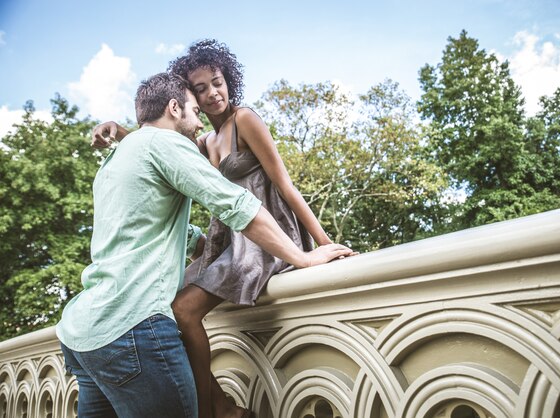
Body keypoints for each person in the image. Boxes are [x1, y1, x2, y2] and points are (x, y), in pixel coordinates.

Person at [59, 72, 353, 418]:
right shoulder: (166, 144)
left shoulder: (115, 160)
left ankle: (222, 409)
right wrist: (302, 258)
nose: (200, 122)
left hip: (83, 334)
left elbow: (154, 229)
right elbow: (238, 206)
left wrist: (205, 247)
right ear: (173, 108)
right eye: (194, 110)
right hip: (131, 330)